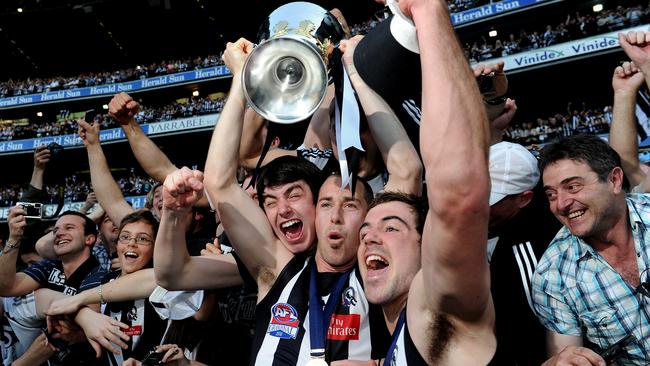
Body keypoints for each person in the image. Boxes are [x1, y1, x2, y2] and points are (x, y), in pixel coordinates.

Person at [357, 0, 498, 364]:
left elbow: (457, 194)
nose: (369, 236)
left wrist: (426, 10)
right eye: (366, 231)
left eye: (391, 227)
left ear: (428, 245)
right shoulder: (389, 338)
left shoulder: (439, 317)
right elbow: (403, 162)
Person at [532, 134, 649, 365]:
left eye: (572, 187)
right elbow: (569, 355)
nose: (561, 204)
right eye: (551, 195)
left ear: (614, 180)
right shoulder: (552, 276)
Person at [487, 141, 561, 366]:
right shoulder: (498, 221)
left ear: (524, 199)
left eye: (491, 198)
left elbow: (540, 325)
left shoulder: (525, 247)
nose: (476, 203)